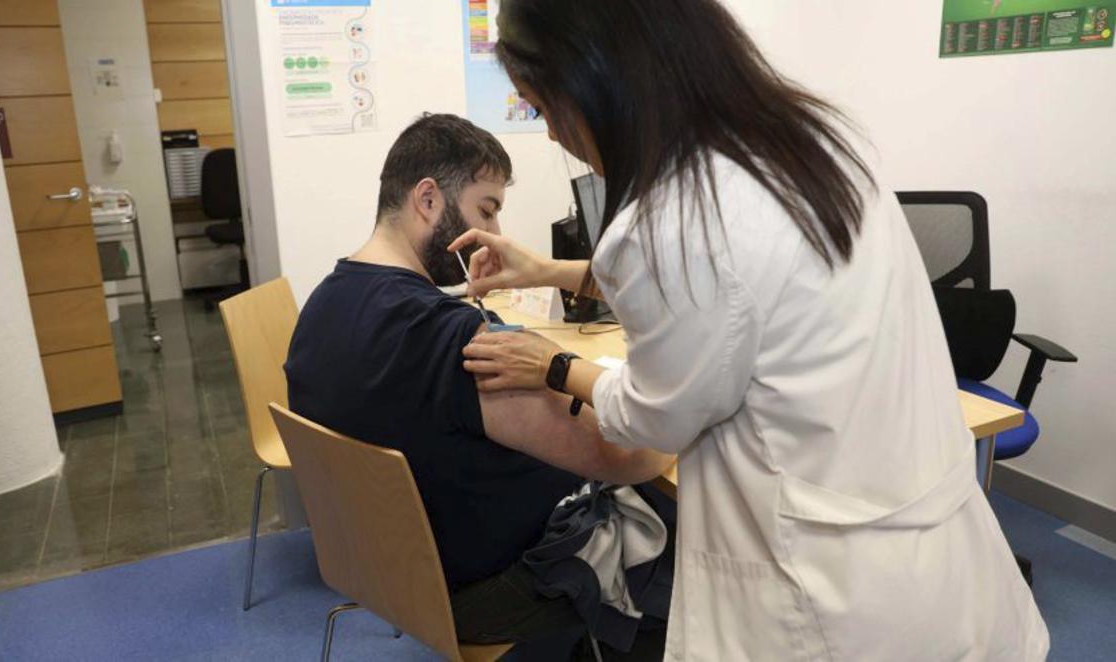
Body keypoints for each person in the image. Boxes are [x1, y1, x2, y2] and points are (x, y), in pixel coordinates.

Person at [448, 0, 1050, 659]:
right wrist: (548, 270)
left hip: (825, 584)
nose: (552, 136)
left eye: (541, 109)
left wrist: (553, 365)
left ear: (597, 80)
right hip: (923, 531)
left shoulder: (675, 219)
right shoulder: (813, 141)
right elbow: (727, 291)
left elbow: (653, 419)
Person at [283, 113, 673, 659]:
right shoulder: (458, 341)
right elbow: (634, 454)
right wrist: (674, 394)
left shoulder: (321, 306)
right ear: (428, 199)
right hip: (491, 589)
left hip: (387, 574)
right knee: (677, 519)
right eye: (486, 210)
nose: (495, 234)